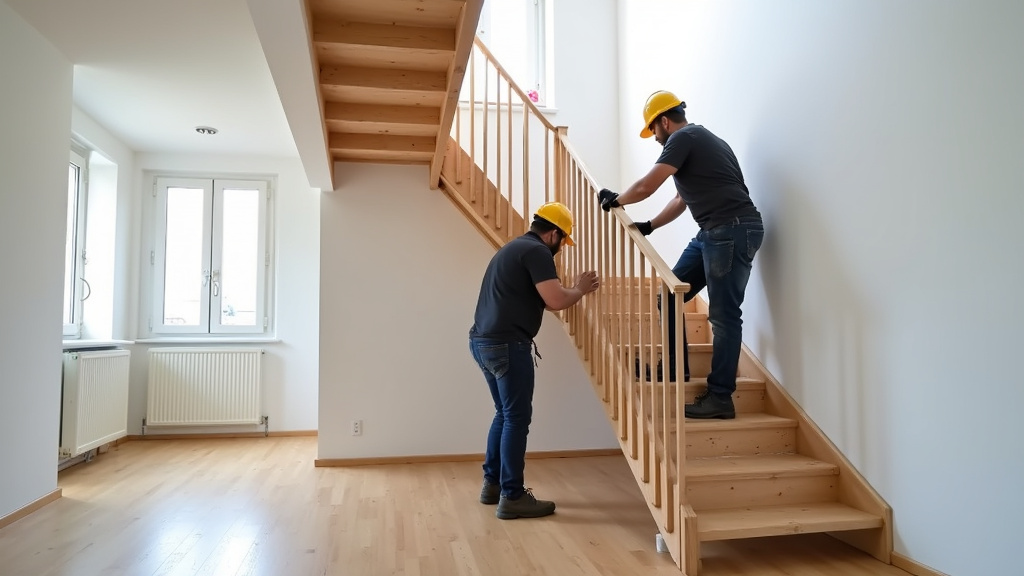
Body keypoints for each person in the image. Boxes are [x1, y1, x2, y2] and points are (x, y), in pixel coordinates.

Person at [598, 90, 764, 420]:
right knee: (670, 294)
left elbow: (647, 186)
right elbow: (680, 201)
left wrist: (618, 200)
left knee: (723, 316)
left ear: (663, 121)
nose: (654, 138)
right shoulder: (703, 141)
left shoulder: (684, 137)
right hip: (714, 232)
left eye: (653, 131)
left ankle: (720, 397)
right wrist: (650, 225)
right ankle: (674, 369)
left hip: (730, 230)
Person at [469, 202, 600, 519]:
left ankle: (493, 485)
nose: (559, 250)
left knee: (504, 414)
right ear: (554, 233)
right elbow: (555, 300)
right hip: (507, 345)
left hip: (482, 341)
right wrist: (580, 289)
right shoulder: (537, 251)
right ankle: (512, 497)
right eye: (562, 243)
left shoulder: (513, 248)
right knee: (516, 418)